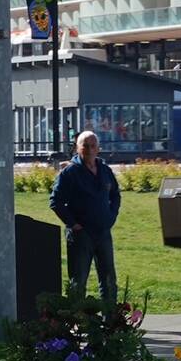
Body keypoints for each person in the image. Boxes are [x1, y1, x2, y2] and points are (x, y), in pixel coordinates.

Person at [49, 130, 120, 305]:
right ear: (77, 148)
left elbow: (115, 195)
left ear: (98, 148)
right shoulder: (70, 173)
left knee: (109, 279)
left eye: (92, 146)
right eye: (85, 146)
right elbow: (55, 202)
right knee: (78, 281)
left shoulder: (104, 170)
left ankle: (111, 321)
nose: (89, 150)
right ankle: (77, 321)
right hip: (81, 235)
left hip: (103, 232)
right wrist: (73, 224)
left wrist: (111, 217)